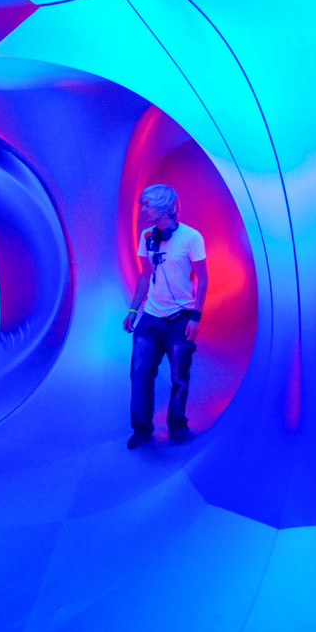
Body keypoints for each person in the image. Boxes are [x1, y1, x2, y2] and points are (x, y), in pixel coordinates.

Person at [123, 184, 207, 449]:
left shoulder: (192, 237)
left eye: (146, 204)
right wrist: (133, 310)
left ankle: (177, 426)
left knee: (179, 376)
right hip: (150, 319)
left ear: (163, 206)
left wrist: (196, 317)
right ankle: (142, 429)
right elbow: (146, 276)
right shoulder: (147, 236)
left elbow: (203, 279)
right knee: (139, 373)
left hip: (180, 318)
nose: (143, 209)